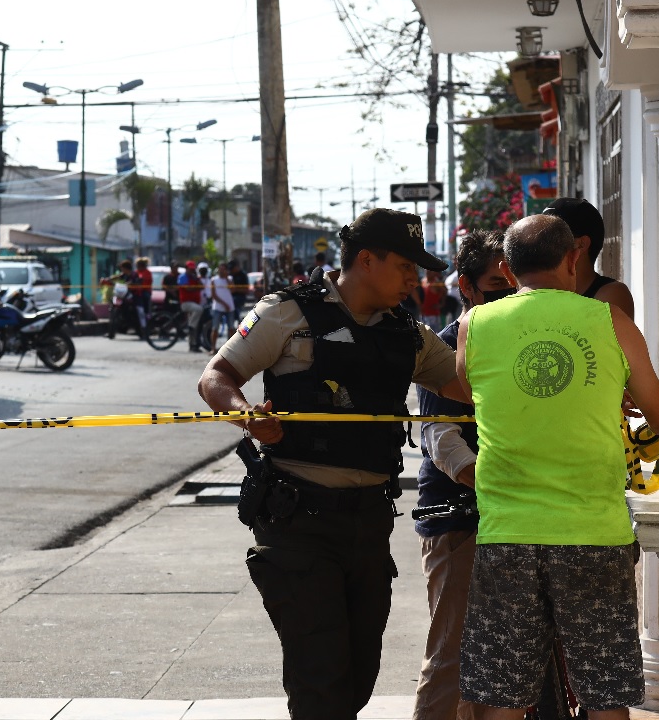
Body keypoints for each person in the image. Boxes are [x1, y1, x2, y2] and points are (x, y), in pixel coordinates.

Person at [197, 208, 464, 720]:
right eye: (406, 266)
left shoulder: (405, 333)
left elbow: (466, 388)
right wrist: (246, 416)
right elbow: (216, 376)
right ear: (366, 260)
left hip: (368, 522)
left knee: (357, 674)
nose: (416, 278)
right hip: (298, 521)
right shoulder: (286, 312)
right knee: (319, 676)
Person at [456, 214, 659, 720]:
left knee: (502, 693)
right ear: (572, 258)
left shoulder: (474, 325)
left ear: (509, 269)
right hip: (593, 534)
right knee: (604, 692)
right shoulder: (609, 320)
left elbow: (479, 394)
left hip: (506, 533)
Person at [412, 230, 514, 720]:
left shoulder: (524, 344)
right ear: (466, 288)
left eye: (514, 281)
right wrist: (495, 485)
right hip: (460, 519)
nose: (508, 292)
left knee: (504, 661)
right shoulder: (447, 346)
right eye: (497, 283)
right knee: (453, 655)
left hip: (519, 517)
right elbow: (441, 439)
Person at [542, 197, 634, 319]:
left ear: (581, 244)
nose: (541, 244)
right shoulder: (540, 290)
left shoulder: (610, 295)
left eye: (551, 237)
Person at [207, 261, 235, 354]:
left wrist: (227, 278)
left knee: (231, 328)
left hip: (230, 307)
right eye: (220, 269)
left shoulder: (230, 279)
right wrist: (224, 304)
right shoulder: (214, 280)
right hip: (218, 307)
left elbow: (233, 289)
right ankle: (213, 348)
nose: (221, 271)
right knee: (215, 328)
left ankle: (230, 349)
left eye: (223, 269)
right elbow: (213, 295)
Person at [178, 260, 205, 352]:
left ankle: (192, 345)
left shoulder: (195, 278)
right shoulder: (183, 277)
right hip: (186, 303)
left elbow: (202, 286)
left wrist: (197, 279)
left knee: (194, 327)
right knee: (199, 310)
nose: (191, 271)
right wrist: (195, 287)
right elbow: (187, 289)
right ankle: (191, 325)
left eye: (193, 269)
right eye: (190, 269)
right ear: (186, 269)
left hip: (194, 303)